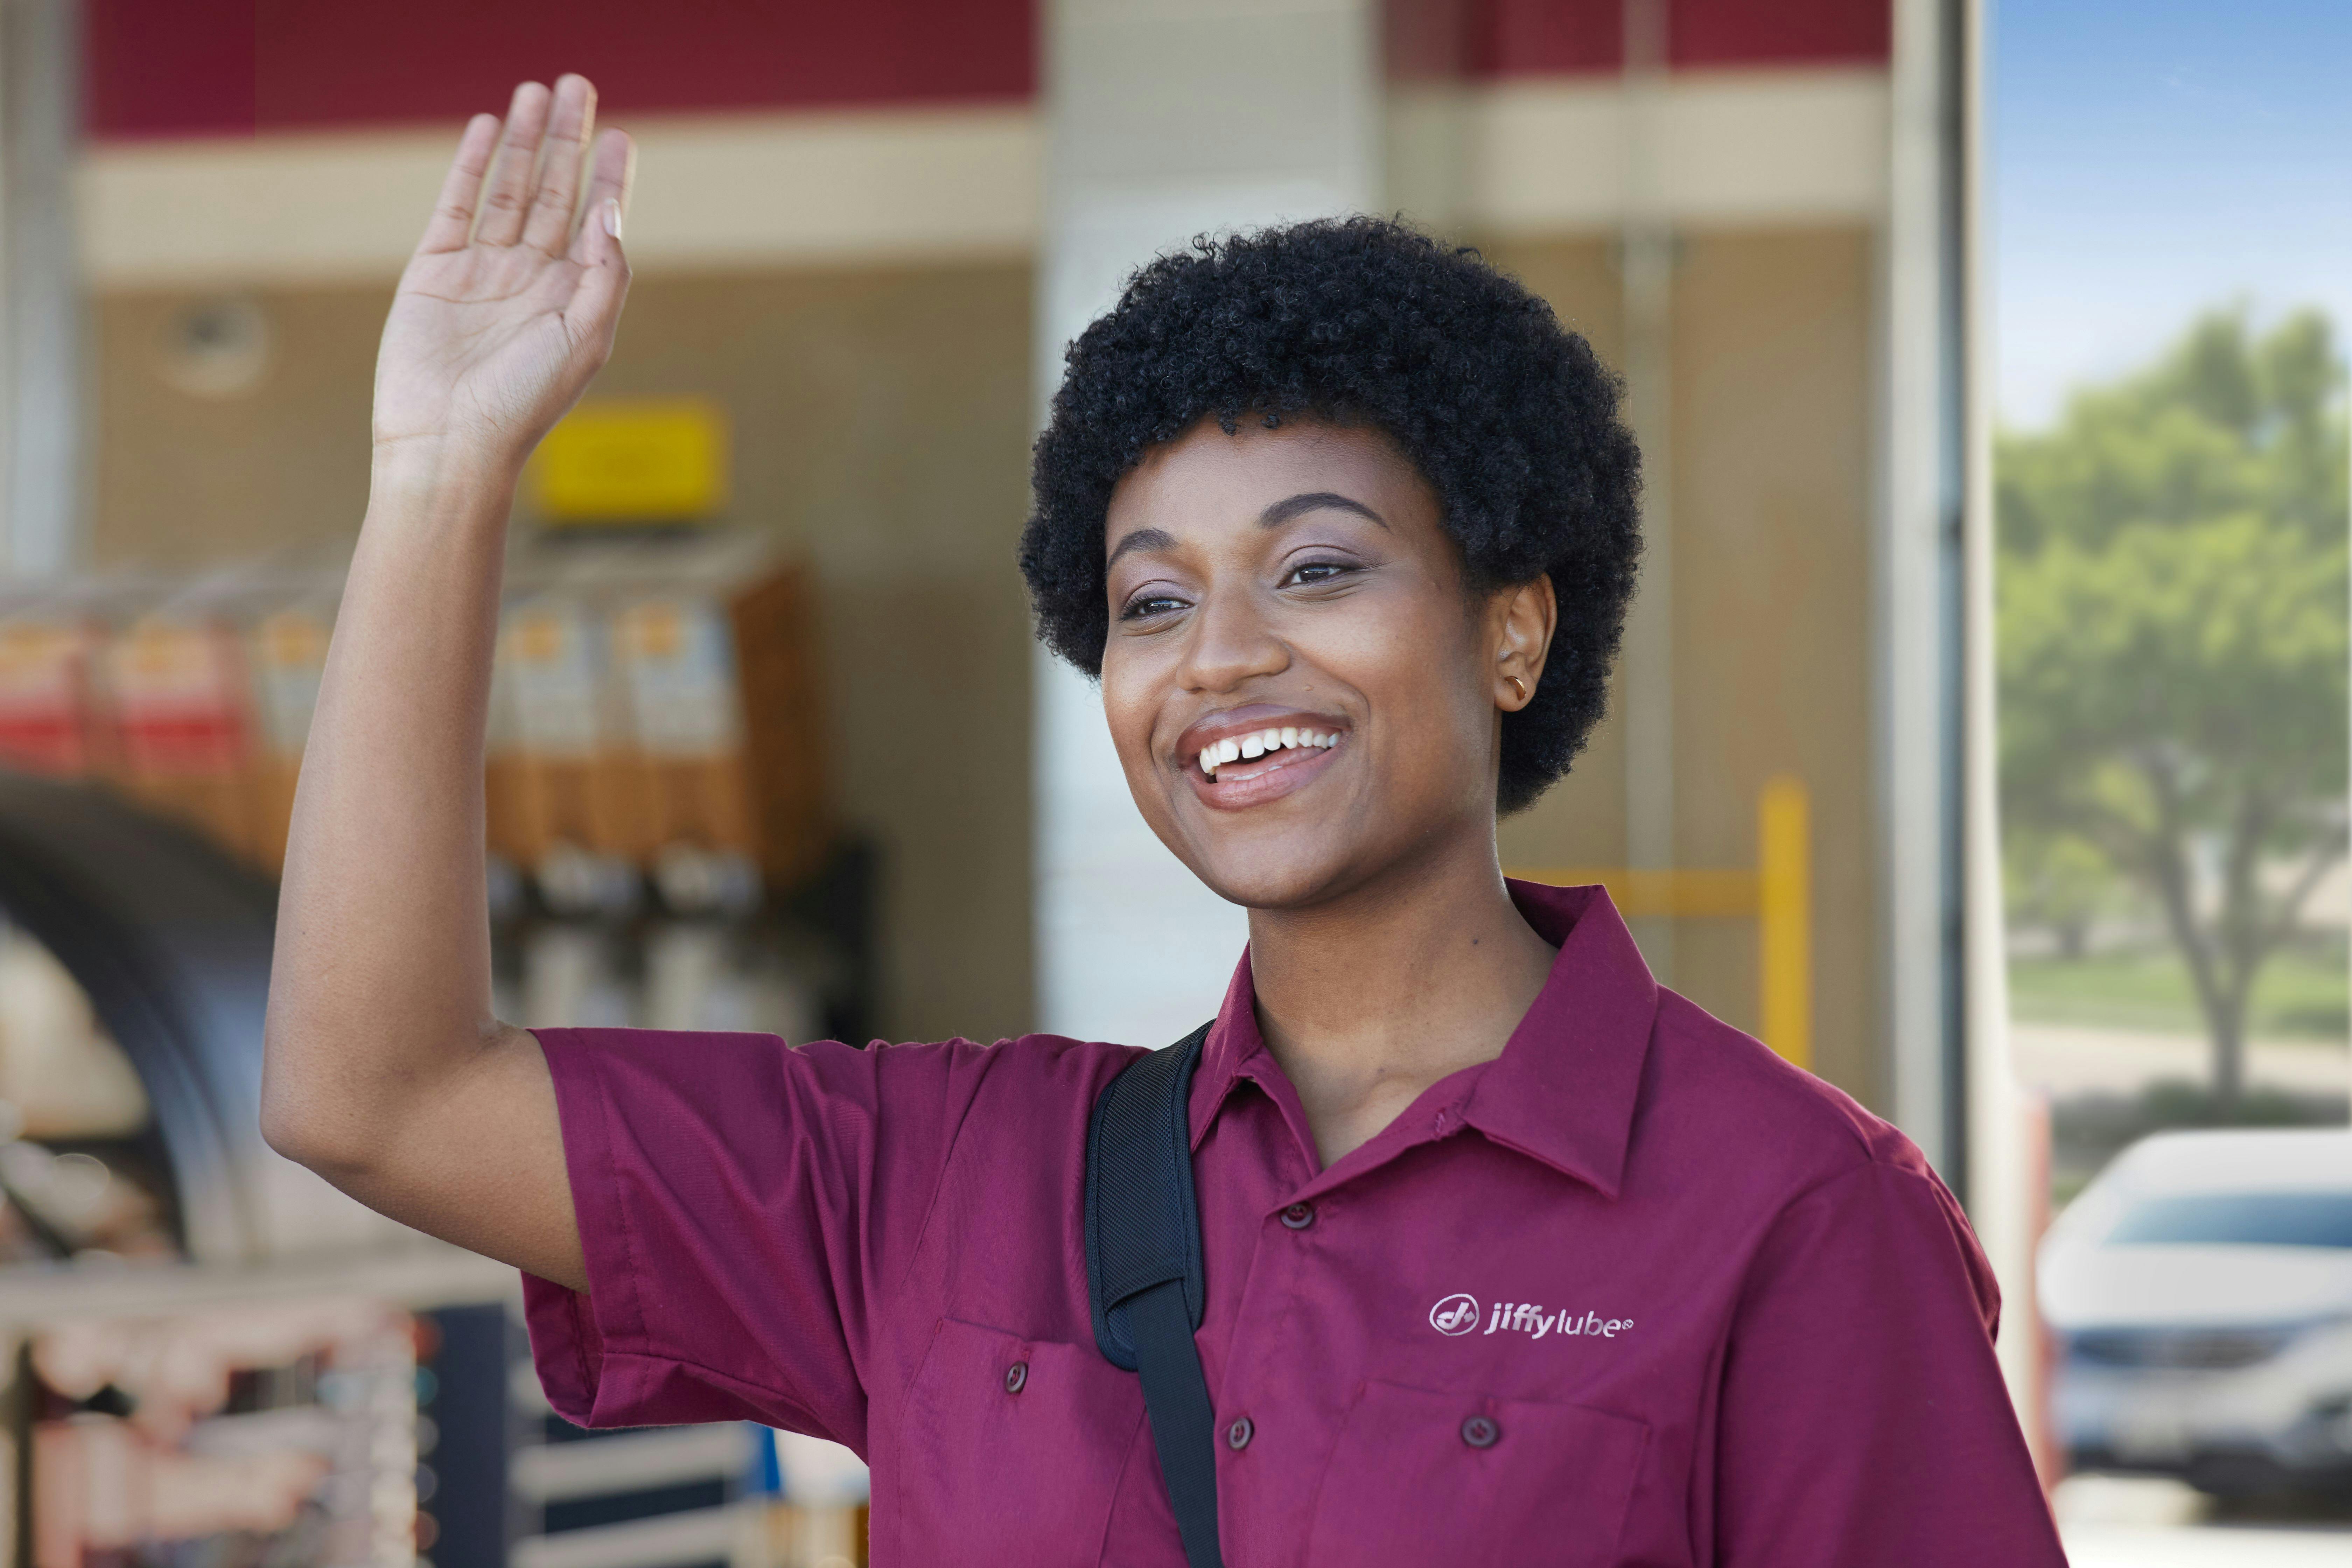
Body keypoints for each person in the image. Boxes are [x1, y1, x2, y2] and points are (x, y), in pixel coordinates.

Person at [262, 75, 2067, 1567]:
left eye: (1319, 568)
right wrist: (440, 478)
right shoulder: (947, 1185)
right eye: (1152, 600)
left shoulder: (1794, 1213)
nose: (1222, 656)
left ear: (1513, 631)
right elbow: (375, 1095)